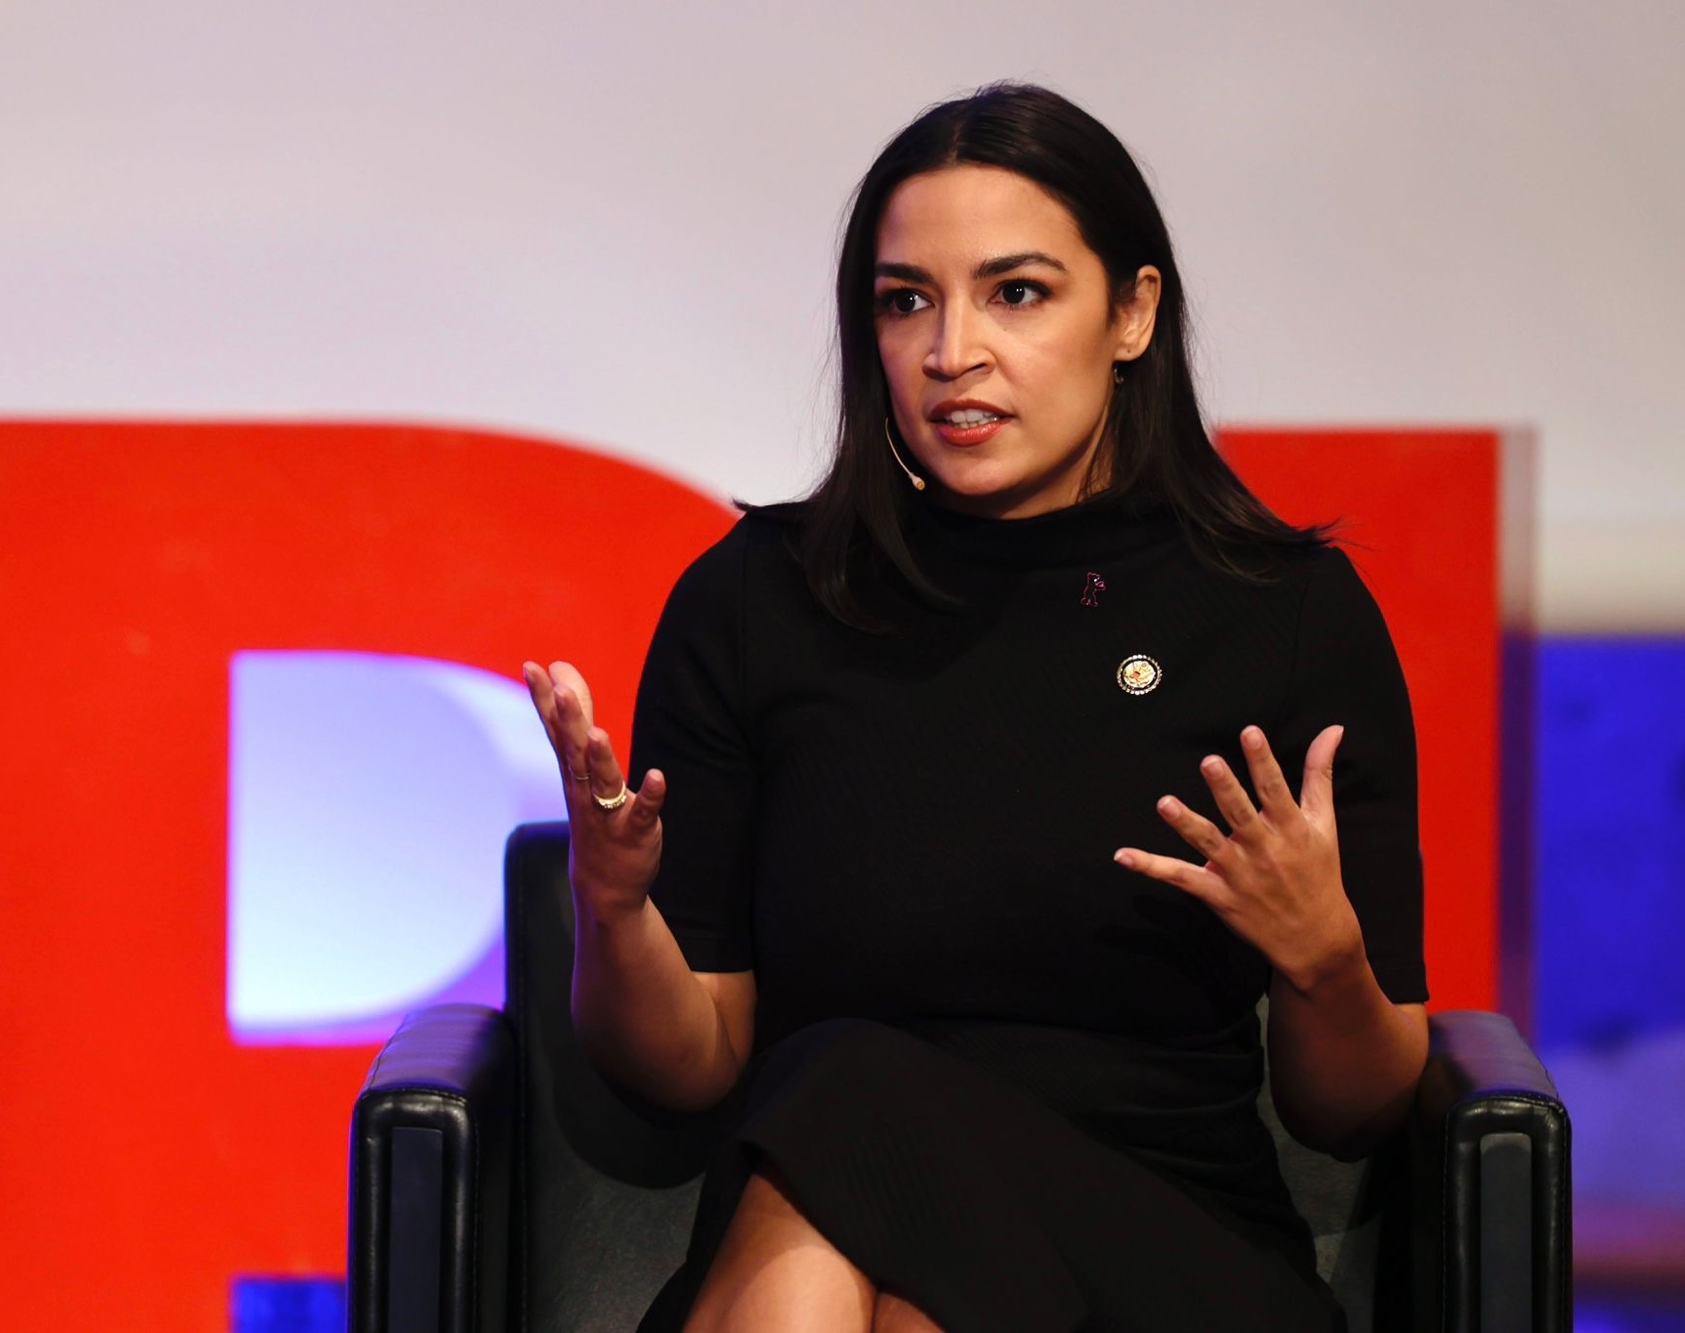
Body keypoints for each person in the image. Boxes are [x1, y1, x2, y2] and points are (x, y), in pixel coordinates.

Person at [521, 82, 1428, 1333]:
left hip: (1175, 1250)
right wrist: (612, 907)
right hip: (842, 1213)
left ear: (1130, 312)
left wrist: (1323, 958)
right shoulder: (756, 603)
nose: (952, 351)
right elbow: (688, 1066)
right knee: (878, 1212)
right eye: (906, 301)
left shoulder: (1281, 613)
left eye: (1015, 293)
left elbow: (1354, 1110)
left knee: (843, 1090)